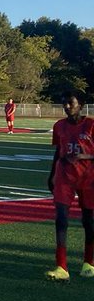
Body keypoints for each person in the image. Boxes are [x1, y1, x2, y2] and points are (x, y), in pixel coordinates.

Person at [45, 91, 94, 281]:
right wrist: (51, 175)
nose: (67, 107)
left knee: (88, 221)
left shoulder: (91, 125)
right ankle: (61, 266)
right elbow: (59, 150)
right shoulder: (59, 126)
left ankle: (89, 262)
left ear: (81, 105)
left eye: (70, 103)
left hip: (88, 178)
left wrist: (84, 156)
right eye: (64, 103)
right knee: (61, 219)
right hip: (64, 175)